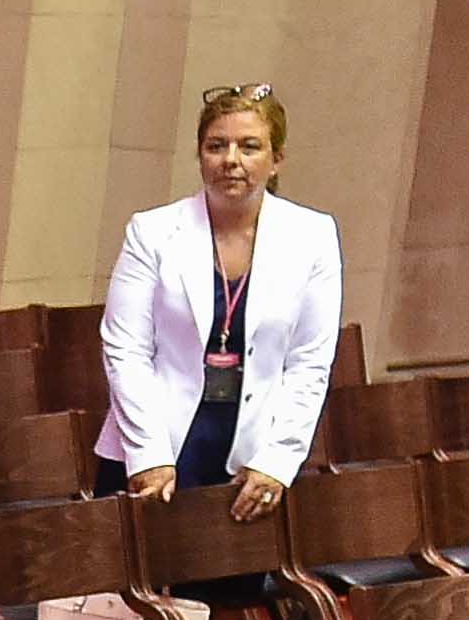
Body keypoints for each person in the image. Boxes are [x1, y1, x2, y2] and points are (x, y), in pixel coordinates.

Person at [100, 84, 342, 517]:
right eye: (217, 146)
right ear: (200, 156)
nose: (231, 160)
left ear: (276, 160)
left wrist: (276, 462)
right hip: (155, 442)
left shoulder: (313, 236)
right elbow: (125, 350)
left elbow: (309, 363)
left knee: (232, 586)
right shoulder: (152, 232)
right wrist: (148, 454)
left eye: (250, 147)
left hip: (251, 456)